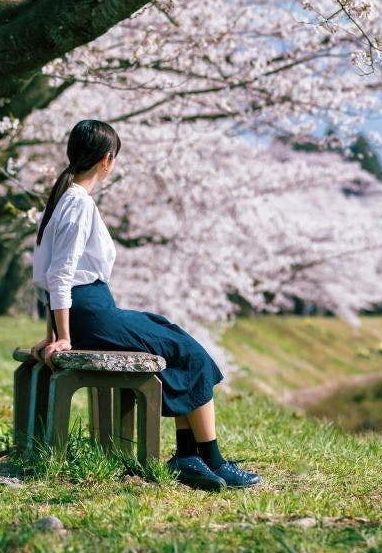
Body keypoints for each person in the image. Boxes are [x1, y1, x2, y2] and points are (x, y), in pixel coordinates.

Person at [29, 119, 260, 492]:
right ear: (107, 160)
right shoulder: (79, 203)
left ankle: (190, 456)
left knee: (172, 335)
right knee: (191, 354)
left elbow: (46, 276)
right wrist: (65, 337)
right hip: (91, 313)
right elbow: (60, 275)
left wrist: (54, 333)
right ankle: (209, 458)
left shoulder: (59, 202)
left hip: (89, 312)